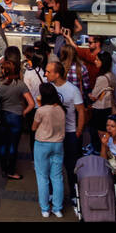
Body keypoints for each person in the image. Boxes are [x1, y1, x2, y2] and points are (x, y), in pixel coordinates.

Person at [45, 58, 86, 205]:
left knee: (70, 166)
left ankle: (75, 195)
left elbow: (81, 111)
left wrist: (78, 131)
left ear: (57, 74)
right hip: (52, 134)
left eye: (49, 72)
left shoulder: (72, 90)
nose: (45, 74)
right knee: (52, 165)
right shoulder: (48, 88)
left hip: (69, 133)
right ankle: (51, 194)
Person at [0, 58, 34, 181]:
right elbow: (31, 103)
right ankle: (11, 170)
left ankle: (3, 168)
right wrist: (23, 112)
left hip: (2, 115)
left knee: (2, 143)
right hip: (16, 117)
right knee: (13, 145)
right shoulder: (20, 84)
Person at [33, 83, 66, 218]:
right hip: (58, 144)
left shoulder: (41, 110)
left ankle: (45, 208)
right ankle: (57, 208)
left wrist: (39, 103)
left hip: (42, 144)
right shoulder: (61, 109)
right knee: (57, 177)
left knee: (42, 177)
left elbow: (34, 127)